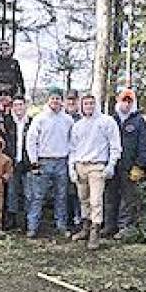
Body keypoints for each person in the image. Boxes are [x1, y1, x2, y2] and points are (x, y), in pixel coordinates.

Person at [69, 94, 122, 250]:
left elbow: (115, 145)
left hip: (97, 166)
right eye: (86, 104)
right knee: (83, 199)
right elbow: (72, 148)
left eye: (91, 103)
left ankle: (95, 233)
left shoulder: (106, 122)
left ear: (96, 104)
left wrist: (111, 164)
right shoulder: (78, 125)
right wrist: (71, 167)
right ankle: (85, 228)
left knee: (96, 201)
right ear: (81, 106)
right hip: (81, 165)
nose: (89, 107)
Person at [25, 88, 74, 239]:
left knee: (61, 196)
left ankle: (61, 225)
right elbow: (31, 141)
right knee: (38, 196)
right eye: (52, 98)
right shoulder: (40, 118)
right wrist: (34, 162)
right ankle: (32, 226)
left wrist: (70, 162)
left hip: (62, 161)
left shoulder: (68, 120)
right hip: (43, 161)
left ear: (62, 101)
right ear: (48, 100)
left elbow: (73, 142)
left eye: (58, 98)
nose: (55, 101)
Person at [103, 88, 146, 239]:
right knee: (110, 196)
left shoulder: (138, 121)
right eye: (124, 100)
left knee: (127, 198)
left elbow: (144, 145)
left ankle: (124, 227)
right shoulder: (111, 120)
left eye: (129, 101)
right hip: (112, 165)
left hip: (129, 167)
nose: (126, 104)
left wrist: (140, 165)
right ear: (118, 101)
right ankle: (109, 225)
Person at [3, 96, 32, 230]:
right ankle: (11, 219)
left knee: (28, 193)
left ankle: (27, 219)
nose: (18, 108)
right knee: (11, 192)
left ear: (25, 106)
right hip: (12, 162)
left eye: (20, 104)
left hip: (27, 163)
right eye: (15, 105)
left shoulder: (31, 122)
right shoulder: (6, 123)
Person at [64, 89, 82, 229]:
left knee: (77, 190)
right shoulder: (61, 117)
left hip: (77, 157)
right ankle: (67, 219)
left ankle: (79, 218)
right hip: (62, 157)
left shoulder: (82, 119)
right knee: (64, 191)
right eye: (69, 99)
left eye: (74, 100)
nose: (71, 102)